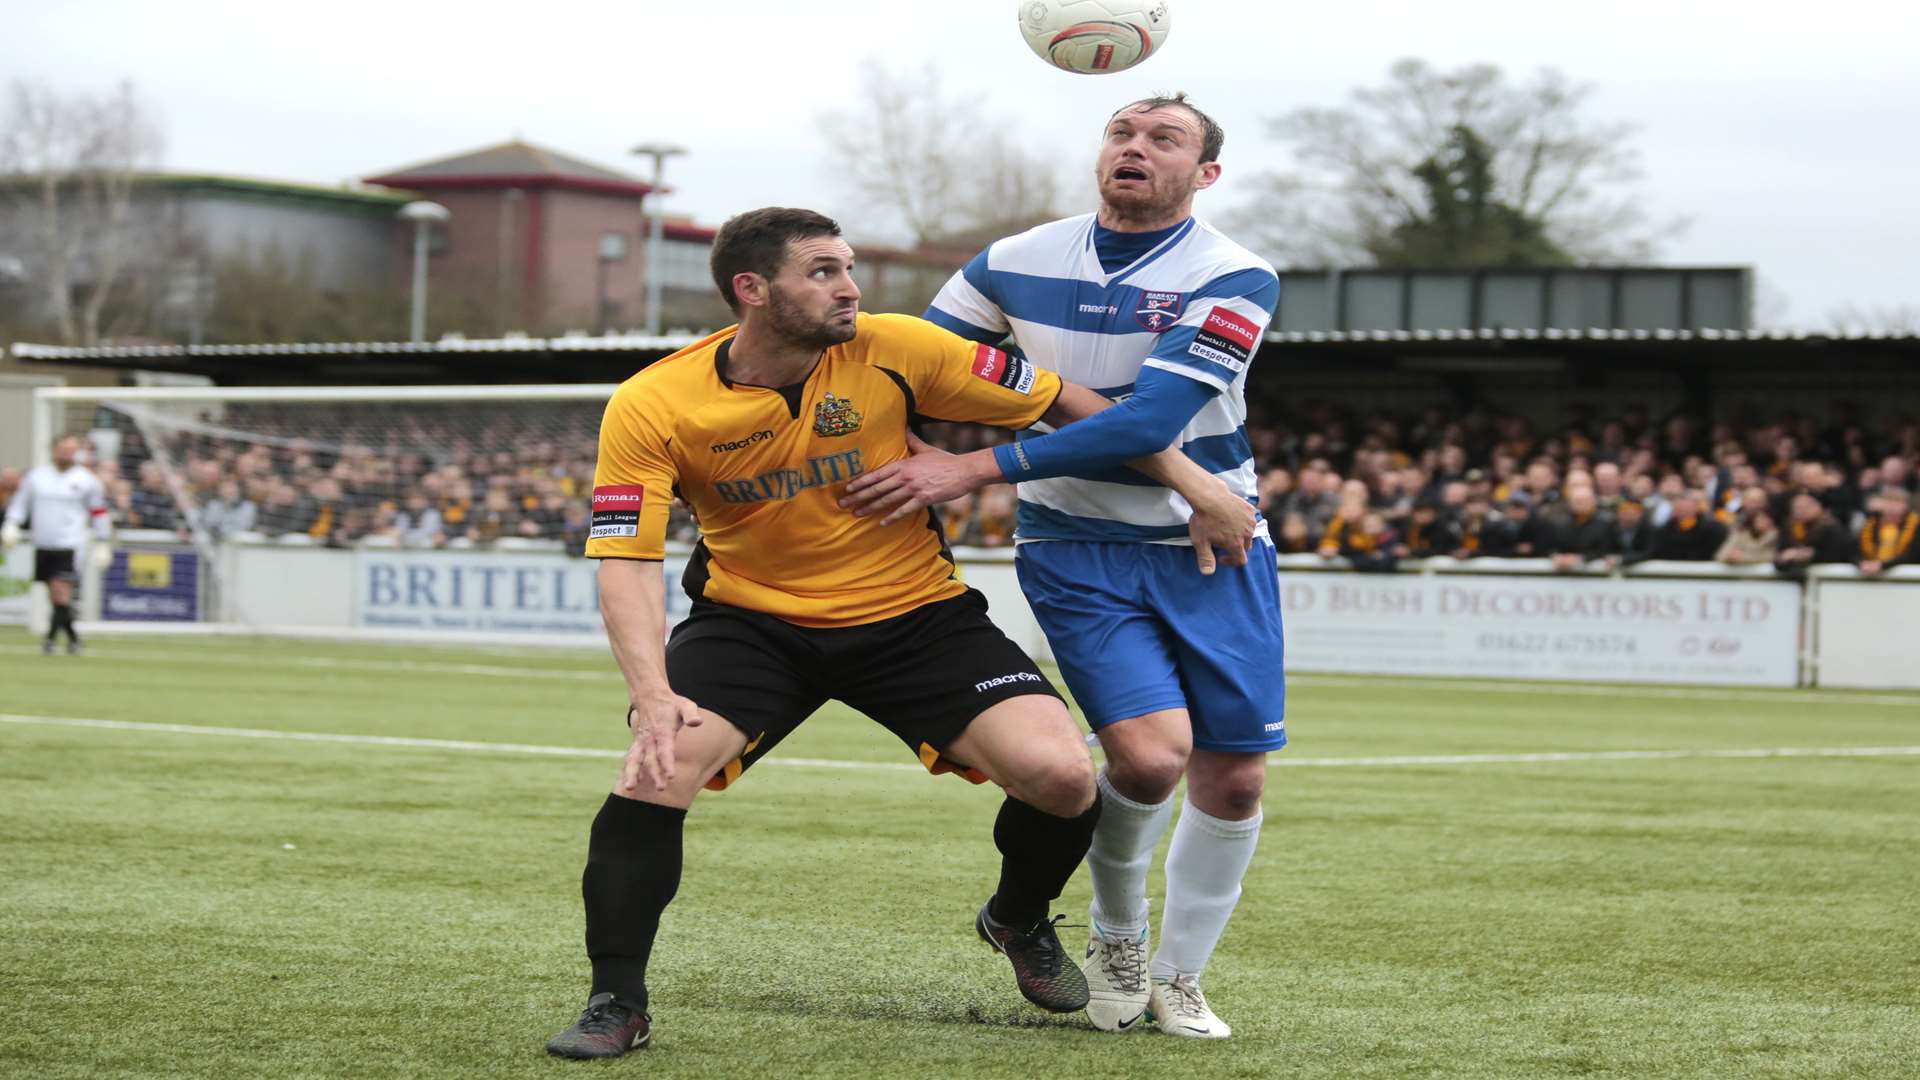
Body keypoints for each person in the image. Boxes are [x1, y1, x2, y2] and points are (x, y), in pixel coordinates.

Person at [544, 207, 1254, 1059]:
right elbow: (625, 560)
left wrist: (1194, 481)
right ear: (752, 290)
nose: (849, 287)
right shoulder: (654, 403)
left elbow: (1063, 399)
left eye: (848, 267)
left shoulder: (897, 346)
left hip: (915, 616)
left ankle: (1017, 918)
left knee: (1065, 777)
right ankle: (615, 1001)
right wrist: (652, 695)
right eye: (822, 272)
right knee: (653, 771)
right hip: (753, 623)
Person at [842, 94, 1282, 1039]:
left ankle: (1181, 976)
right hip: (1075, 547)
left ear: (1205, 174)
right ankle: (1117, 941)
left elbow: (1146, 422)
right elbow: (921, 367)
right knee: (1149, 757)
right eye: (1122, 133)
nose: (1135, 148)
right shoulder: (1011, 261)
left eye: (1165, 139)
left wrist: (975, 464)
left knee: (1236, 778)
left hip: (1212, 542)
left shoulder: (1235, 276)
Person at [2, 435, 113, 655]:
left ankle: (50, 641)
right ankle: (73, 639)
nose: (66, 454)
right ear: (53, 450)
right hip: (43, 542)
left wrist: (103, 540)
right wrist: (11, 524)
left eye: (71, 449)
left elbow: (99, 511)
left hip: (71, 543)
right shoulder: (37, 478)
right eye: (63, 449)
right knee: (54, 595)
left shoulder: (87, 480)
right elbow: (20, 504)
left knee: (61, 591)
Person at [1857, 487, 1917, 576]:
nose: (1892, 506)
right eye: (1889, 501)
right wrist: (1862, 563)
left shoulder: (1915, 526)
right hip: (1871, 574)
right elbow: (1856, 550)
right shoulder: (1870, 525)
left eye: (1897, 502)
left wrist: (1883, 565)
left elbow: (1913, 555)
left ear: (1906, 506)